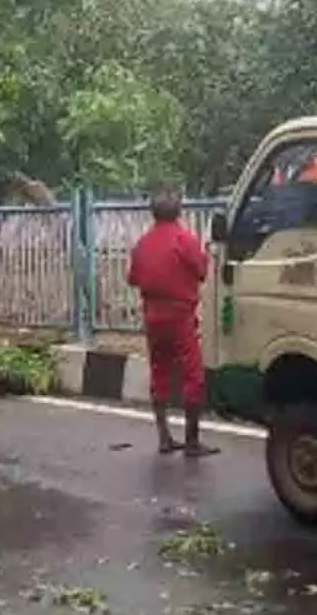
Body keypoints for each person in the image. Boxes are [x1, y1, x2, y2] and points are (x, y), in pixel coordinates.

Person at [127, 188, 218, 458]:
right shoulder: (185, 239)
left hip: (153, 315)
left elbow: (133, 278)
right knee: (193, 375)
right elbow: (202, 271)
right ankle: (192, 441)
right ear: (179, 212)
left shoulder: (142, 243)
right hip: (180, 315)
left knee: (159, 371)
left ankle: (164, 437)